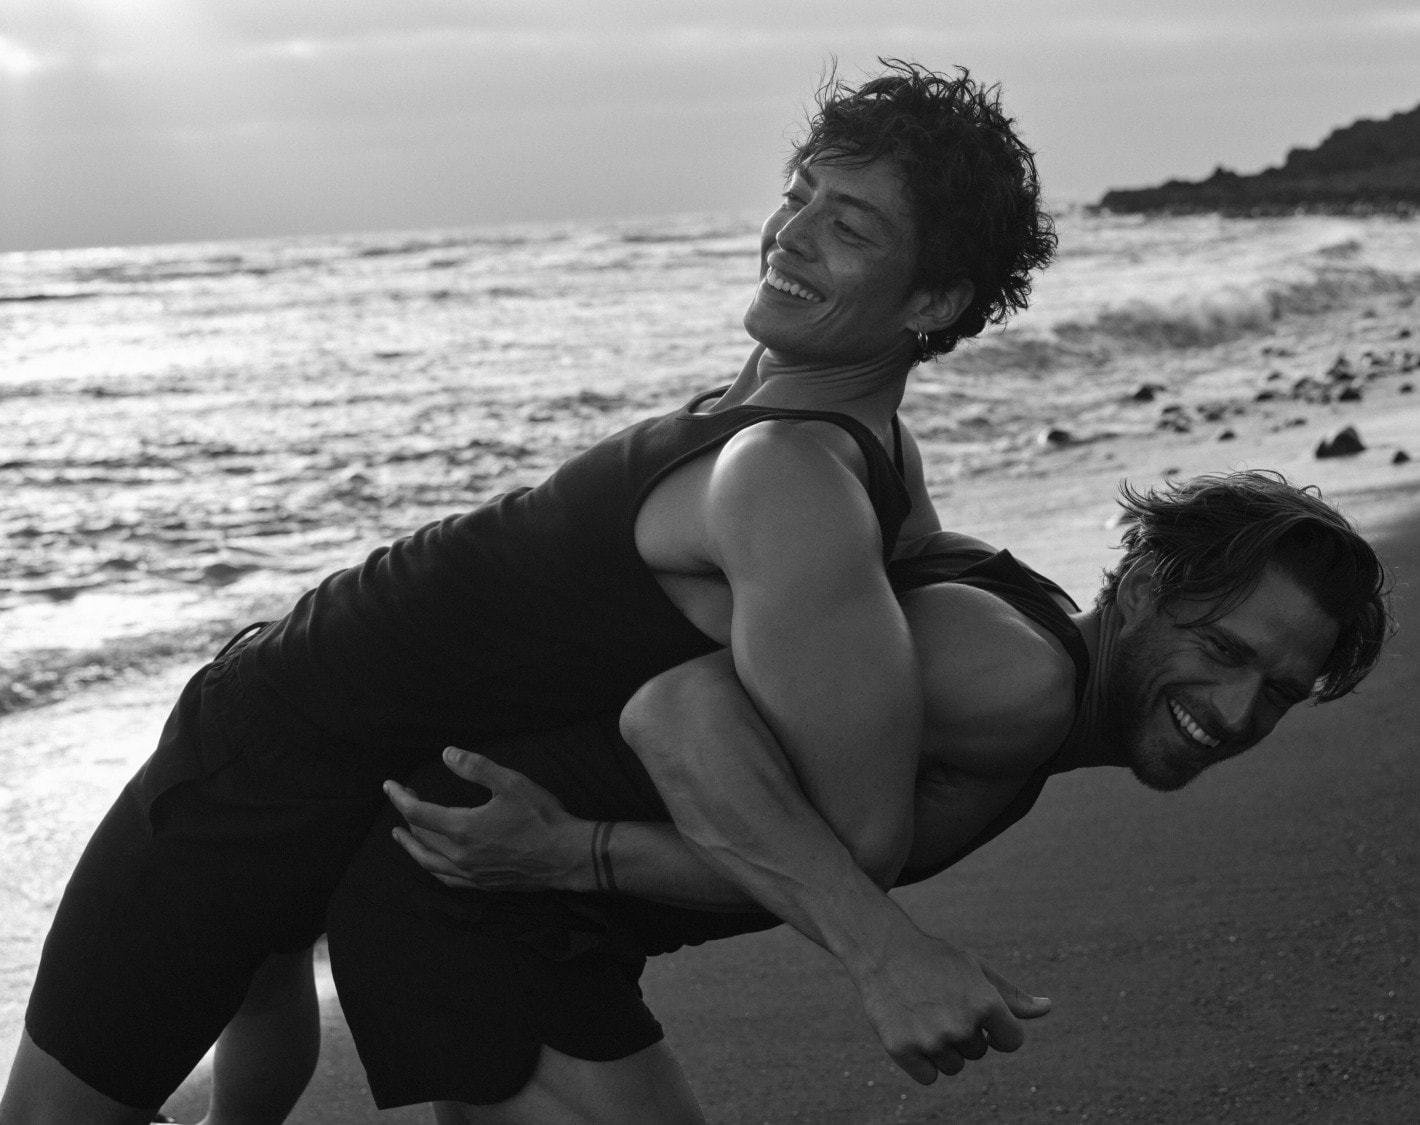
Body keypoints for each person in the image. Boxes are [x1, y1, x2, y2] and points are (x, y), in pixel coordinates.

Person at [0, 60, 1056, 1125]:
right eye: (800, 193)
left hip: (256, 760)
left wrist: (883, 956)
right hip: (341, 769)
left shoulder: (788, 474)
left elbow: (861, 829)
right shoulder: (862, 450)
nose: (793, 231)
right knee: (261, 979)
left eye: (852, 227)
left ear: (934, 299)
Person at [324, 471, 1391, 1123]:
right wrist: (885, 952)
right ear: (1150, 585)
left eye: (1281, 692)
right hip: (476, 896)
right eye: (1223, 651)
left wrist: (580, 857)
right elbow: (678, 714)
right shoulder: (1017, 680)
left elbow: (777, 836)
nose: (1239, 709)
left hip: (503, 888)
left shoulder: (1033, 668)